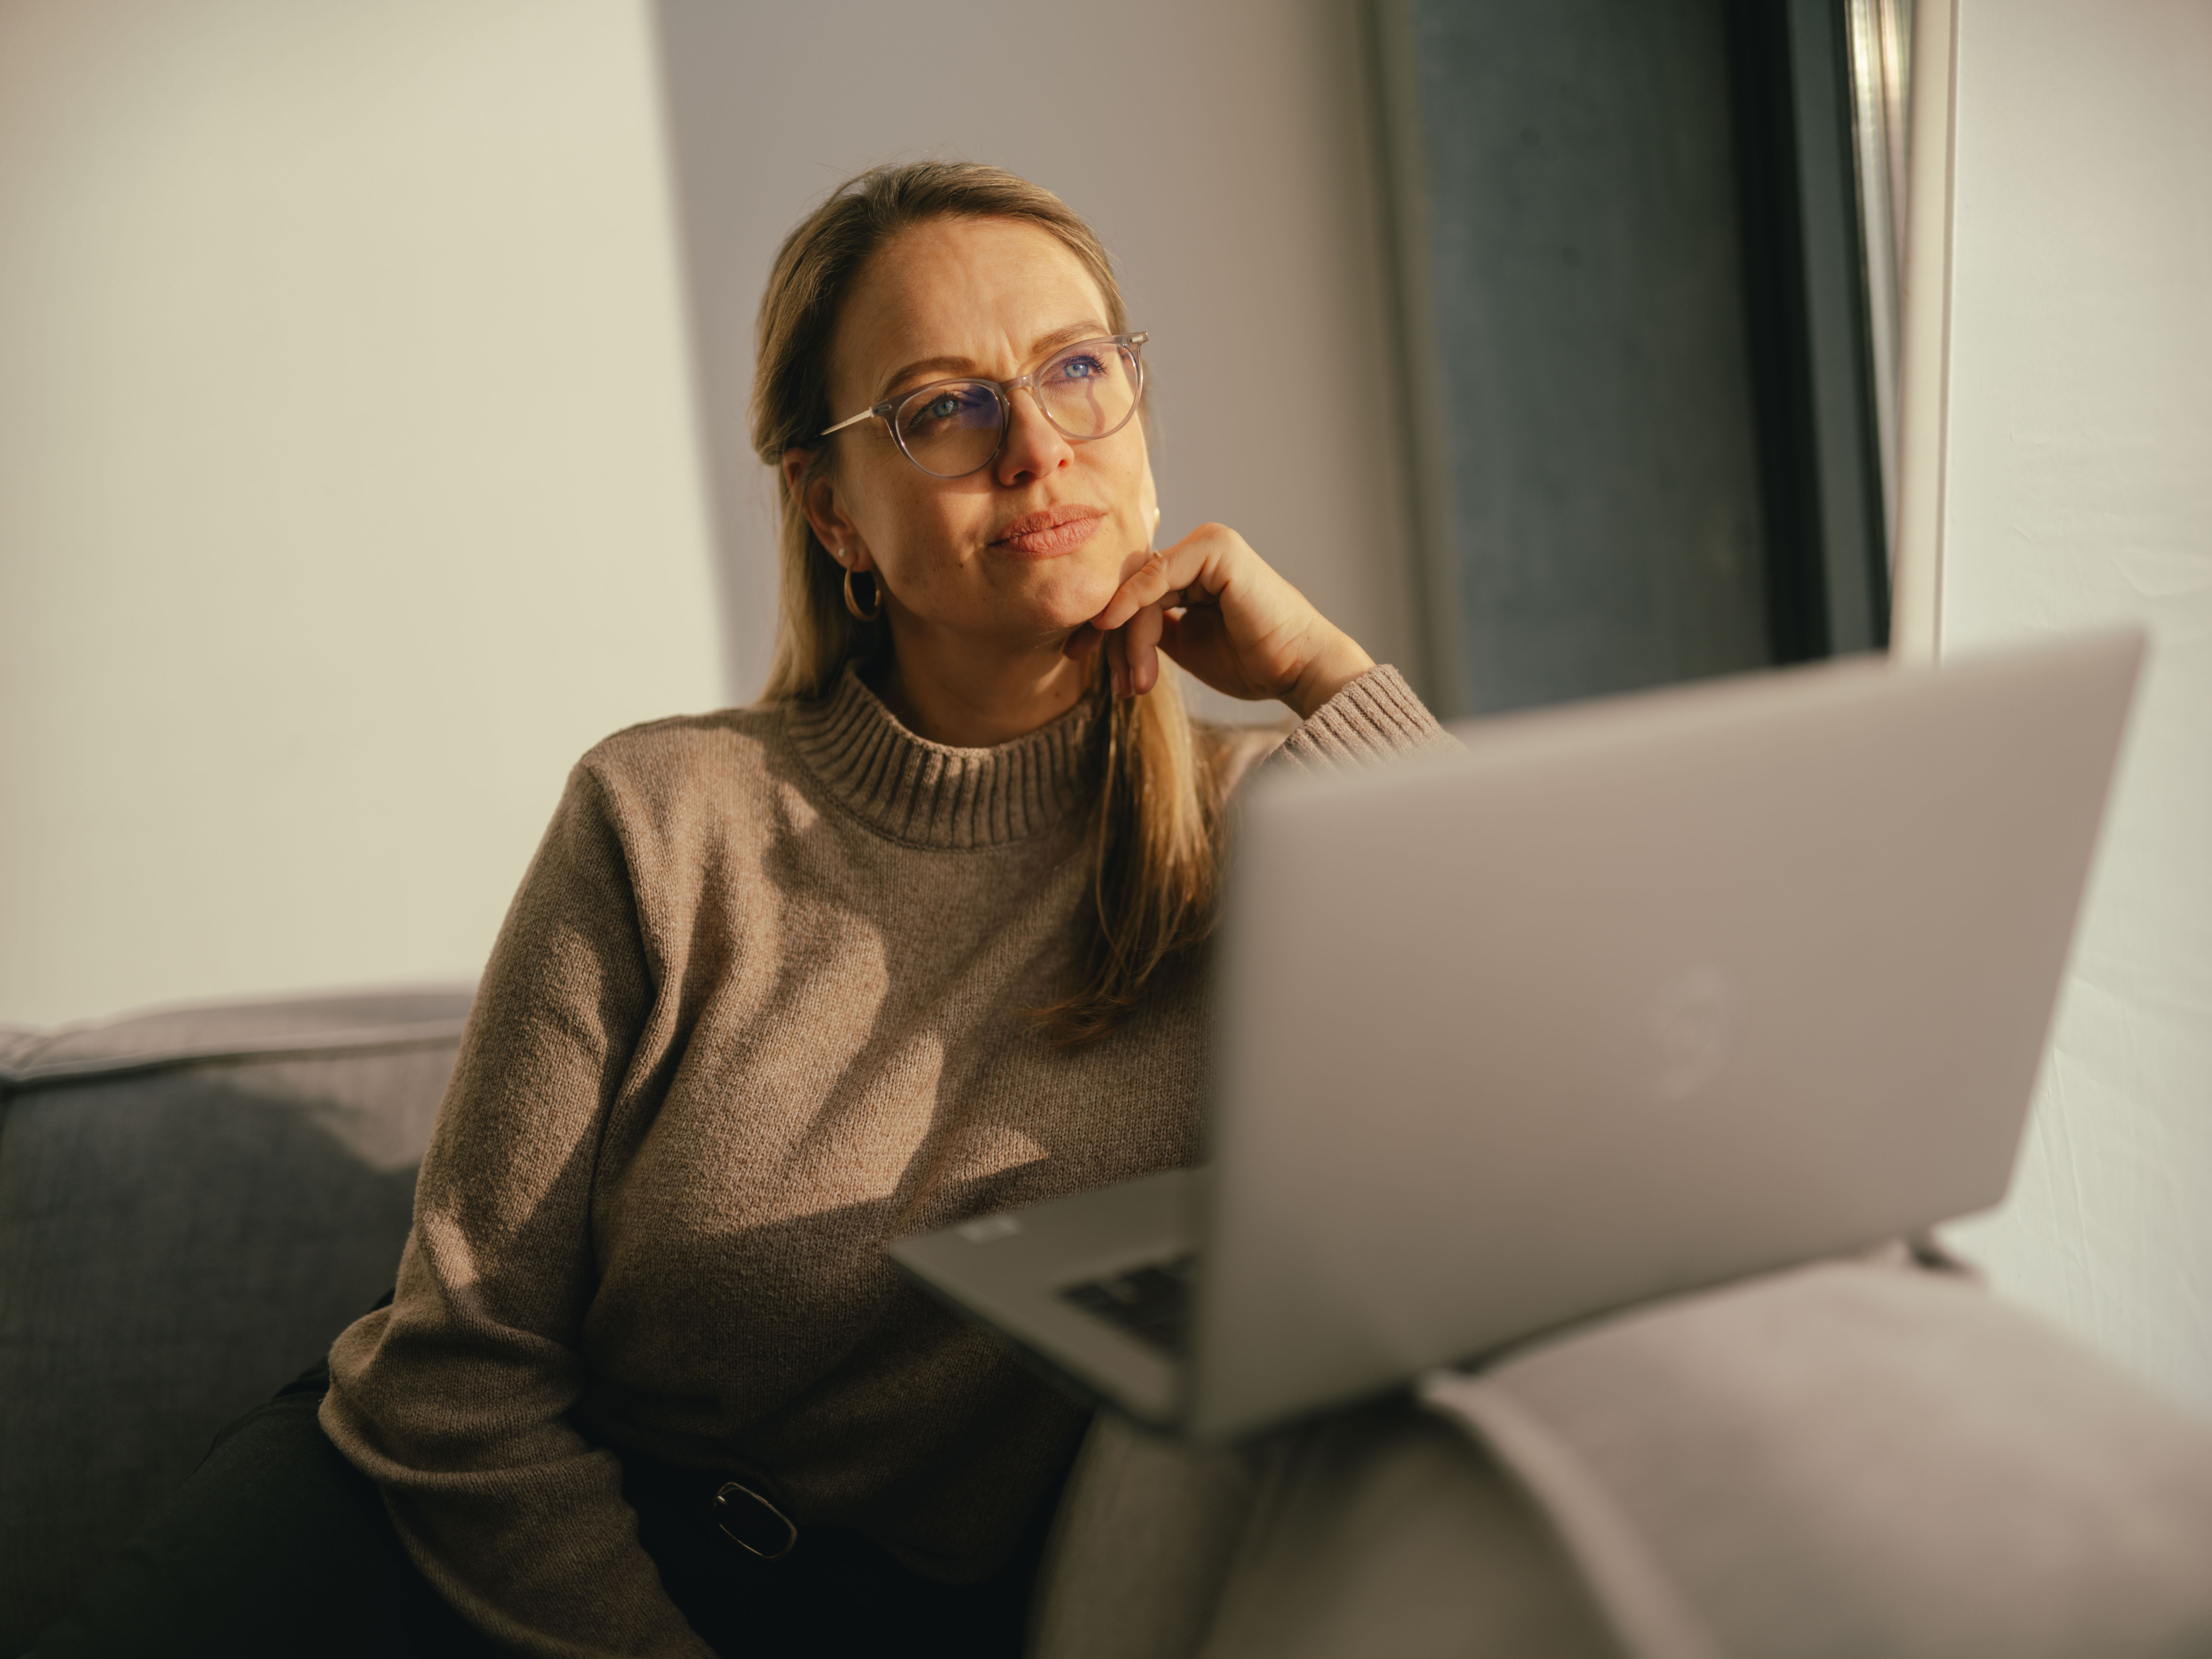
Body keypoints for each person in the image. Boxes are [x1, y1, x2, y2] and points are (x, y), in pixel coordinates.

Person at [33, 160, 1448, 1659]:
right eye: (947, 406)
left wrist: (1329, 676)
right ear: (832, 510)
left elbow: (1586, 1067)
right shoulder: (662, 818)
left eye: (1078, 370)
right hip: (413, 1550)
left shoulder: (1265, 843)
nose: (1037, 447)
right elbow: (453, 1374)